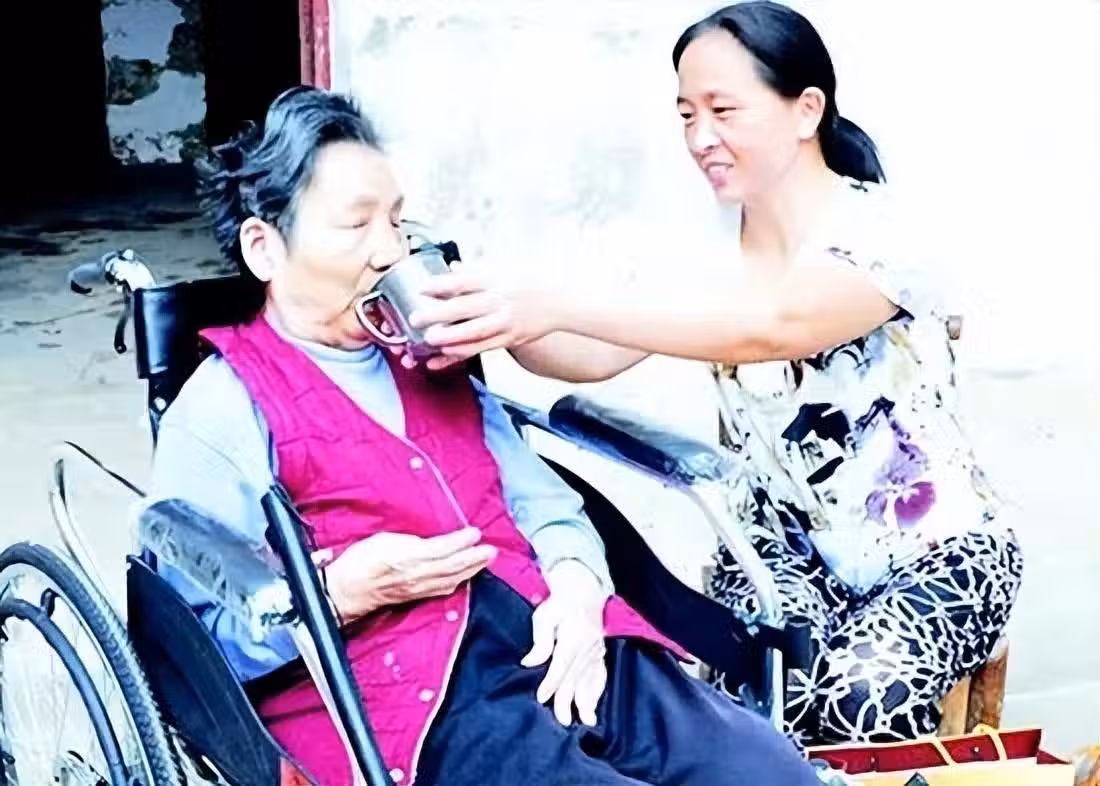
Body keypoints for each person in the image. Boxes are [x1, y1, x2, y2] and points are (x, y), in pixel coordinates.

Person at [144, 86, 819, 786]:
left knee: (770, 773)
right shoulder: (225, 408)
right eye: (356, 225)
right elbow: (194, 647)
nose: (390, 251)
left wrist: (578, 590)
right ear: (265, 247)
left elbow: (544, 506)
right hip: (420, 698)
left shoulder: (430, 356)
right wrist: (338, 595)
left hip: (550, 631)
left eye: (396, 221)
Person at [405, 1, 1024, 746]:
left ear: (806, 110)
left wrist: (553, 302)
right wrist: (501, 317)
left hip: (940, 551)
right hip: (777, 553)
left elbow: (772, 329)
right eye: (686, 114)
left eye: (723, 110)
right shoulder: (700, 247)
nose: (701, 137)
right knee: (747, 715)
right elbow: (590, 354)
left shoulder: (887, 232)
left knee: (859, 699)